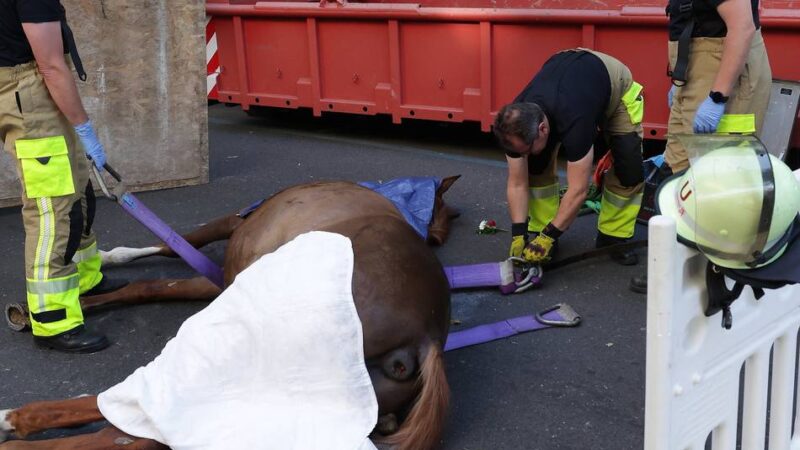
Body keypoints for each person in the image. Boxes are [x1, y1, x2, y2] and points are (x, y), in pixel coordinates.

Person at [1, 0, 126, 352]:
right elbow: (51, 65)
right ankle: (53, 319)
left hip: (29, 90)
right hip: (30, 94)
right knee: (52, 210)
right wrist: (84, 127)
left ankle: (86, 278)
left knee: (79, 189)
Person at [629, 0, 771, 293]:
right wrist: (682, 80)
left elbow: (742, 28)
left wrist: (718, 96)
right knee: (681, 170)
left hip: (721, 76)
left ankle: (718, 270)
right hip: (697, 72)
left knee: (719, 177)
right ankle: (681, 266)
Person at [493, 49, 645, 266]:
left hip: (614, 84)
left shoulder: (577, 122)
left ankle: (614, 236)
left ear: (543, 129)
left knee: (628, 170)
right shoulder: (513, 126)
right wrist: (518, 233)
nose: (522, 156)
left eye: (525, 149)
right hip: (568, 76)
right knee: (536, 168)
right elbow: (517, 183)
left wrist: (550, 236)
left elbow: (578, 191)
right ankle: (540, 230)